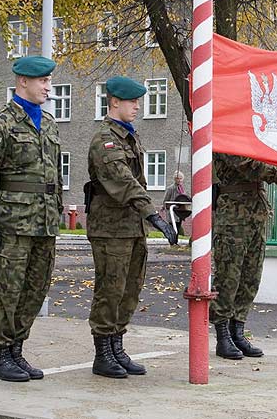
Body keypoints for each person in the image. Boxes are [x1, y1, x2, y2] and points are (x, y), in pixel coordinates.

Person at [0, 56, 61, 382]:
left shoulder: (48, 123)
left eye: (49, 81)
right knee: (6, 291)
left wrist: (57, 214)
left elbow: (54, 177)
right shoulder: (0, 124)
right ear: (23, 81)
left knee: (36, 289)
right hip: (12, 224)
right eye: (43, 82)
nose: (48, 87)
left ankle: (16, 349)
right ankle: (0, 355)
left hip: (44, 223)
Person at [86, 76, 177, 378]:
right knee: (110, 290)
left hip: (131, 226)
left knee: (129, 289)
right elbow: (125, 183)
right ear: (114, 102)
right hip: (111, 228)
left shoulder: (129, 136)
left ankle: (116, 346)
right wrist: (154, 216)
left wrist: (147, 219)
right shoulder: (105, 140)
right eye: (132, 101)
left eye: (139, 101)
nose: (138, 106)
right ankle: (103, 353)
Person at [211, 154, 277, 359]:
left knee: (251, 277)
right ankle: (222, 336)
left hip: (257, 212)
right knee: (229, 277)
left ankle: (237, 331)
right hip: (233, 215)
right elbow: (249, 166)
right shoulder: (227, 135)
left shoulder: (250, 133)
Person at [162, 170, 187, 235]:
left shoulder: (182, 188)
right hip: (172, 211)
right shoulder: (171, 188)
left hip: (180, 211)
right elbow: (166, 199)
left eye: (180, 178)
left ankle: (176, 242)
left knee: (178, 227)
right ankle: (173, 242)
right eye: (177, 178)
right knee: (173, 227)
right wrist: (163, 206)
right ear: (175, 179)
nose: (179, 180)